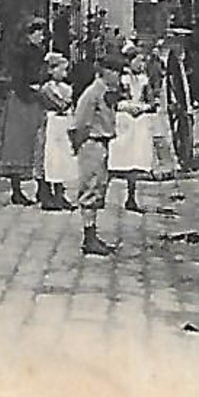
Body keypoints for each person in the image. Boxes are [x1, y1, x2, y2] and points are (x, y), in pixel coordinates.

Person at [69, 52, 127, 256]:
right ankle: (89, 237)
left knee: (99, 187)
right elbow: (78, 124)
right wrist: (80, 146)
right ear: (106, 72)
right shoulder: (92, 93)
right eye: (116, 72)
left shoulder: (106, 92)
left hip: (101, 143)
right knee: (90, 189)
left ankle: (92, 234)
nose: (119, 77)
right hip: (92, 143)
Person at [0, 17, 50, 206]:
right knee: (18, 144)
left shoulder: (39, 52)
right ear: (29, 34)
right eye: (39, 33)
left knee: (37, 142)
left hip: (34, 99)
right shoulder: (19, 53)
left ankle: (42, 187)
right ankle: (16, 190)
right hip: (22, 100)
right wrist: (31, 90)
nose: (42, 37)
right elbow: (18, 78)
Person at [108, 47, 160, 213]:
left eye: (143, 61)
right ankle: (101, 194)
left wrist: (144, 107)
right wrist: (127, 107)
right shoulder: (121, 79)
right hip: (124, 119)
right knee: (116, 157)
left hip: (139, 121)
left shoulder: (144, 80)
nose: (142, 64)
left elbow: (151, 101)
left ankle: (131, 196)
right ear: (129, 61)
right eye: (138, 60)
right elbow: (114, 99)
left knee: (135, 159)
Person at [37, 51, 77, 211]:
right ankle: (47, 195)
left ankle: (60, 193)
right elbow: (59, 104)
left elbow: (69, 104)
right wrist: (65, 104)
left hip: (63, 125)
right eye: (61, 70)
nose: (64, 73)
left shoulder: (65, 87)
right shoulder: (47, 88)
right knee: (51, 158)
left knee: (63, 158)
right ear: (51, 70)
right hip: (51, 124)